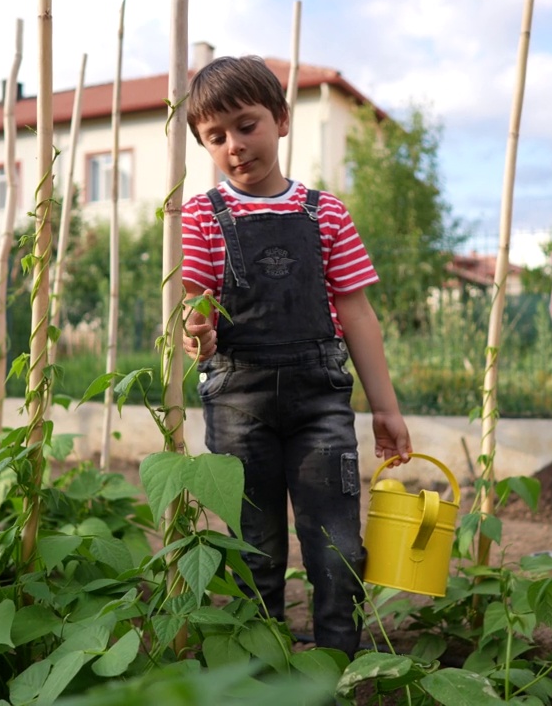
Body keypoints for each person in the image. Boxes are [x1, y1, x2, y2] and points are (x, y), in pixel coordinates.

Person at [180, 55, 412, 657]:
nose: (234, 144)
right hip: (237, 401)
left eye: (246, 124)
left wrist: (384, 407)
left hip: (320, 403)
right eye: (216, 136)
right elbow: (196, 305)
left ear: (281, 121)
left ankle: (338, 664)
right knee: (252, 543)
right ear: (205, 145)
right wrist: (196, 333)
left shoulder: (326, 212)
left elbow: (357, 314)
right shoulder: (203, 214)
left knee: (337, 545)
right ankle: (260, 669)